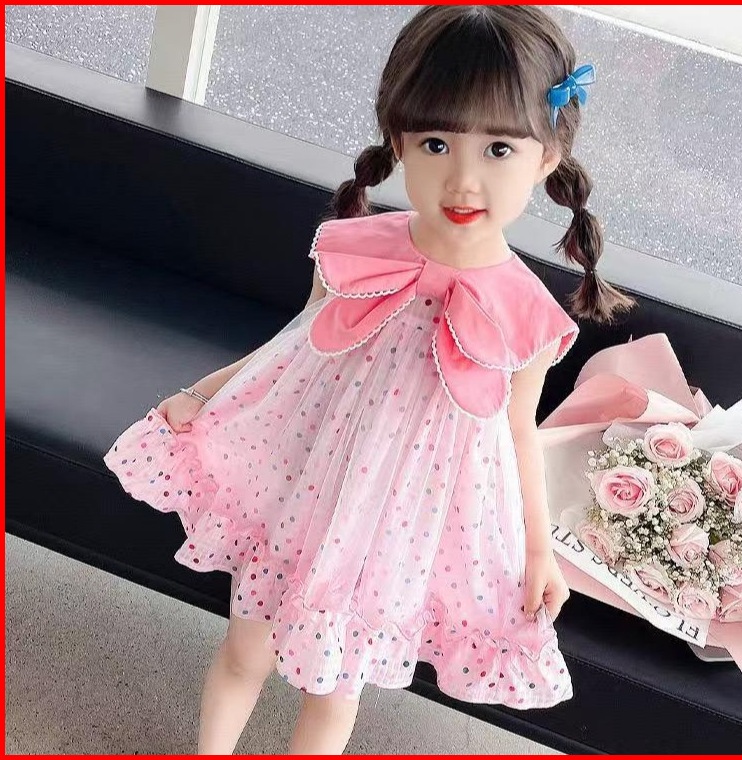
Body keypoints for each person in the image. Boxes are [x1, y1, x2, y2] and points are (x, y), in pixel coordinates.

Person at [103, 5, 636, 755]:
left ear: (547, 157)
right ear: (399, 141)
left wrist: (538, 551)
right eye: (437, 142)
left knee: (332, 692)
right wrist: (202, 394)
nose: (463, 178)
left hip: (398, 525)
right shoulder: (353, 249)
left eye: (499, 149)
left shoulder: (528, 317)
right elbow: (293, 346)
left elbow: (518, 433)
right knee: (245, 650)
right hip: (304, 481)